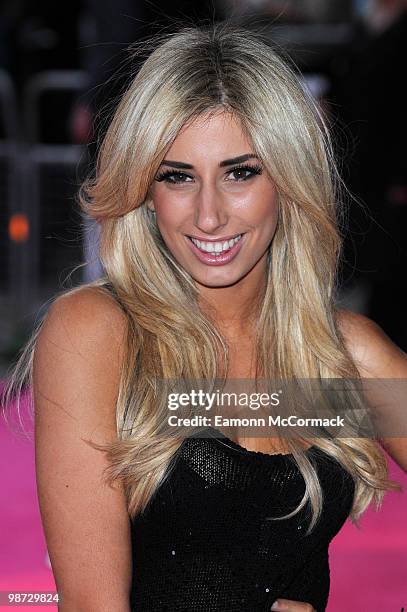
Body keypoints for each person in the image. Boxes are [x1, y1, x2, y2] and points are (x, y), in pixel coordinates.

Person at [2, 20, 407, 612]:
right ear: (145, 188)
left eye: (241, 172)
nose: (208, 215)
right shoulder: (101, 334)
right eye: (177, 176)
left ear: (289, 180)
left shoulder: (341, 361)